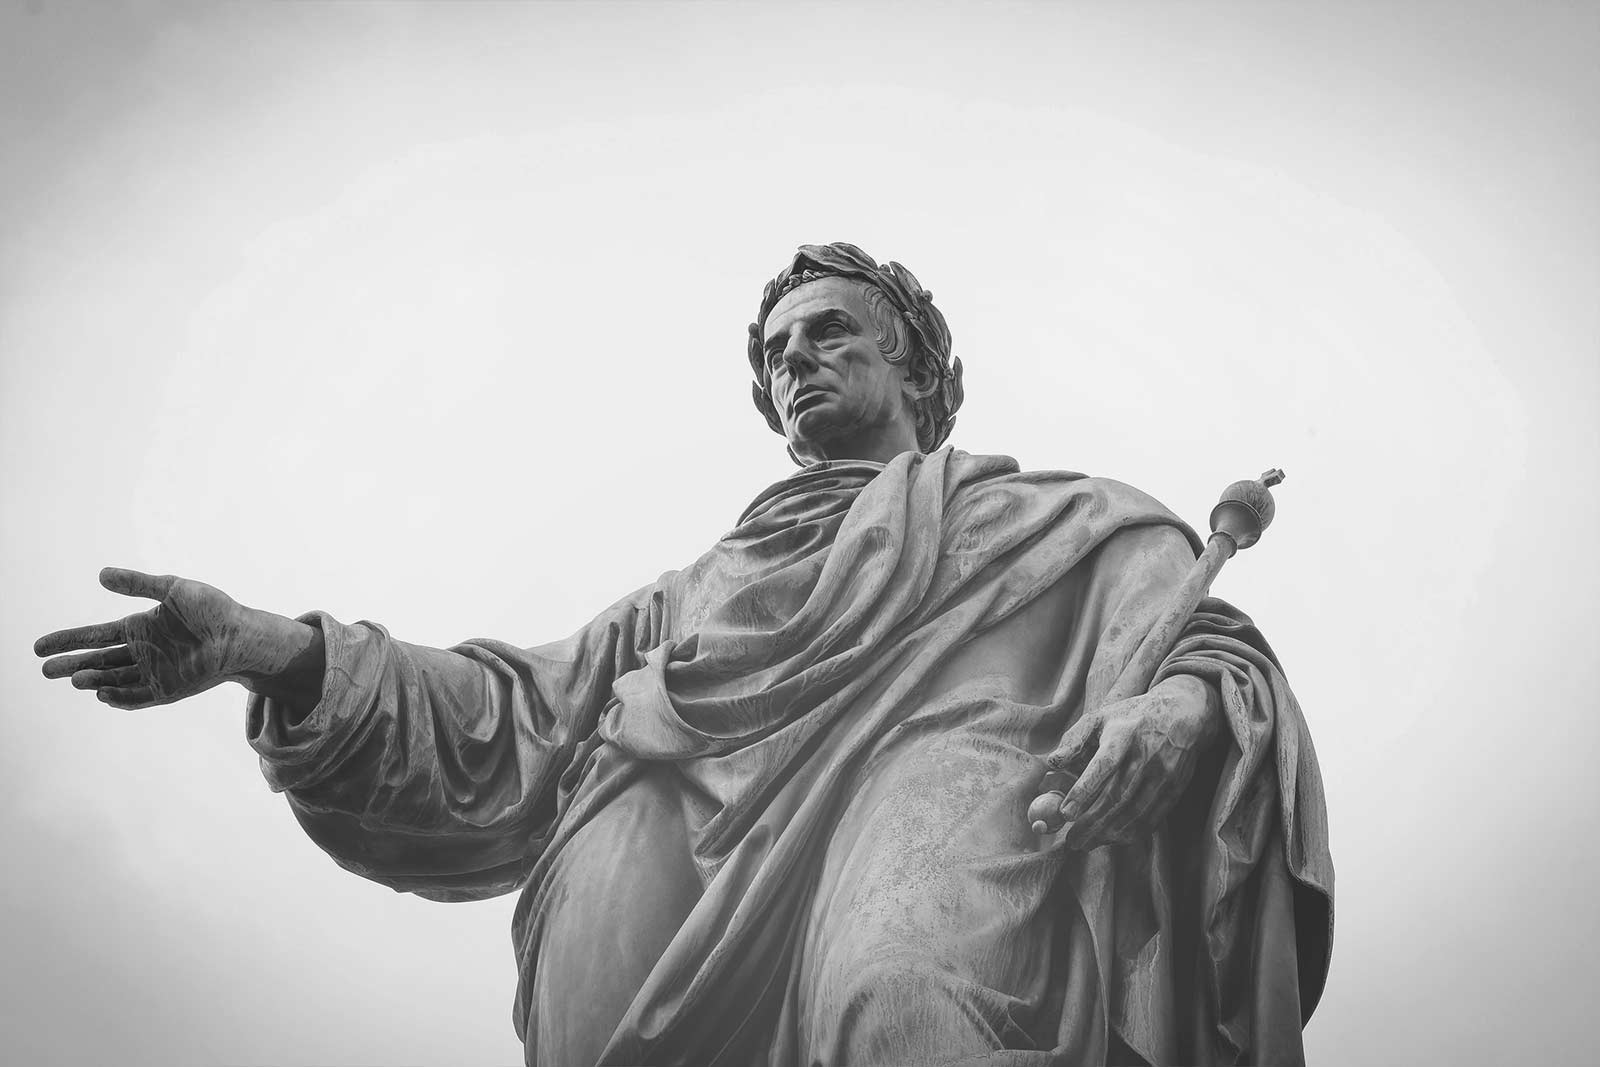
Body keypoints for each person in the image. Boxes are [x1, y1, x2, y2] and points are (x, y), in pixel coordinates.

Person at [35, 243, 1333, 1066]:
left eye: (831, 333)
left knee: (901, 1000)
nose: (796, 361)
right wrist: (272, 650)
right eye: (778, 355)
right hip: (643, 906)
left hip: (946, 812)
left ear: (919, 372)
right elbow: (501, 718)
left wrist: (1173, 714)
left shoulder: (1058, 523)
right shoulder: (691, 598)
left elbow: (1204, 653)